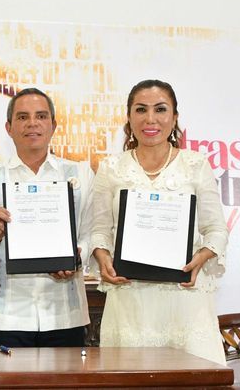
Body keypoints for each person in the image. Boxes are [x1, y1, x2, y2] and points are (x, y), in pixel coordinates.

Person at [90, 79, 228, 364]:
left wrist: (200, 259)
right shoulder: (110, 168)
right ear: (129, 117)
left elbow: (216, 229)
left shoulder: (196, 164)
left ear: (174, 117)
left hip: (183, 302)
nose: (150, 119)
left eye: (160, 109)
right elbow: (99, 231)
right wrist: (102, 257)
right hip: (129, 302)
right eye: (141, 110)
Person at [0, 88, 94, 348]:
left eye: (41, 116)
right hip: (5, 318)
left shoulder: (80, 174)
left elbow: (91, 234)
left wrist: (76, 256)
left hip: (64, 315)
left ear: (53, 125)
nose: (32, 123)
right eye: (22, 117)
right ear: (9, 127)